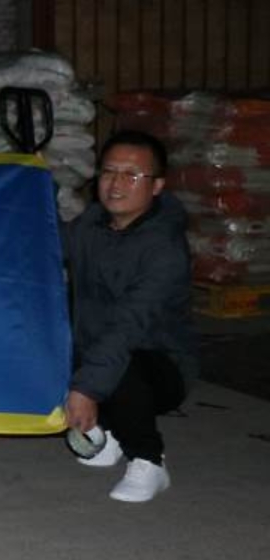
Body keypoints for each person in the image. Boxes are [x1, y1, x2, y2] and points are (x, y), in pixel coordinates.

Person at [62, 129, 199, 503]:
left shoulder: (164, 250)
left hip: (156, 364)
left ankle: (149, 459)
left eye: (131, 175)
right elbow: (46, 249)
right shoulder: (91, 225)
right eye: (109, 172)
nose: (116, 184)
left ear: (157, 186)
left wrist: (86, 389)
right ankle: (109, 431)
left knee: (121, 365)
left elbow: (127, 328)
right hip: (96, 348)